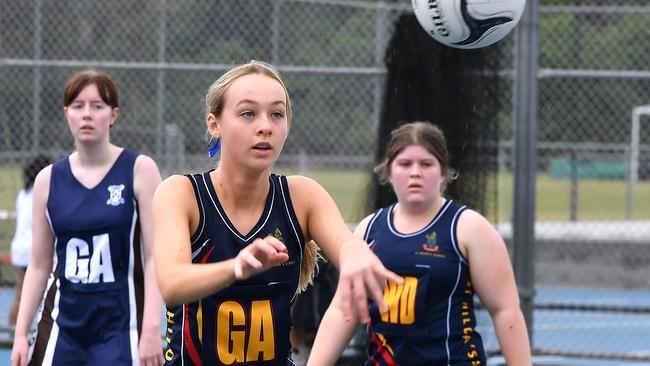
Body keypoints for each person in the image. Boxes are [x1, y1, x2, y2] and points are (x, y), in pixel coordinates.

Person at [152, 59, 402, 365]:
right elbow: (172, 285)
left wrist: (355, 255)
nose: (265, 126)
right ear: (214, 124)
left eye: (277, 114)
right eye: (248, 113)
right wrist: (236, 268)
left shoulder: (302, 196)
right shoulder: (181, 193)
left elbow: (347, 245)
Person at [308, 121, 532, 365]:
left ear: (444, 172)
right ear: (389, 172)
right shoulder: (368, 229)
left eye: (426, 164)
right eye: (405, 164)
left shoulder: (469, 228)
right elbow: (344, 310)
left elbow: (505, 310)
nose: (415, 172)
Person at [11, 70, 164, 366]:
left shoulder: (140, 170)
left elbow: (154, 257)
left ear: (114, 114)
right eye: (78, 106)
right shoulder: (48, 180)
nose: (87, 114)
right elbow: (40, 265)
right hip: (64, 326)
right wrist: (20, 334)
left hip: (122, 326)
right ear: (67, 113)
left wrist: (151, 328)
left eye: (97, 106)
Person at [8, 155, 52, 326]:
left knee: (22, 293)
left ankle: (12, 329)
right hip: (32, 250)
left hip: (19, 250)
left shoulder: (23, 194)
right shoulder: (42, 192)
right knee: (45, 294)